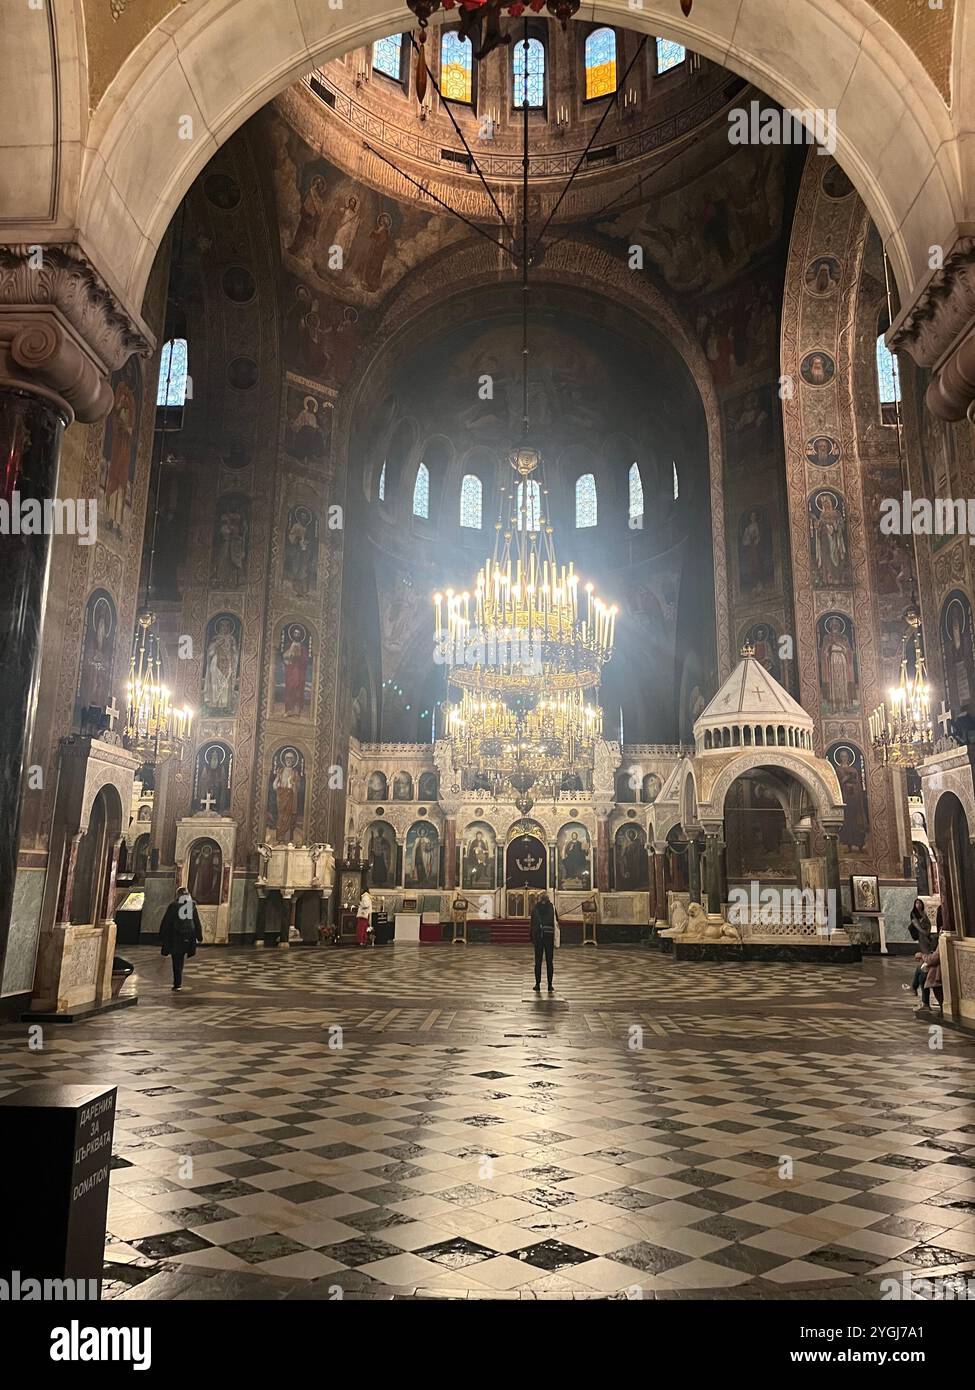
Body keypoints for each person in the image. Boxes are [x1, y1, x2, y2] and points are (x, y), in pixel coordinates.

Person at [159, 888, 204, 992]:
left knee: (176, 960)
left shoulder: (174, 906)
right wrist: (199, 936)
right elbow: (196, 921)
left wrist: (161, 936)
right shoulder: (191, 905)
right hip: (188, 937)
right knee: (181, 959)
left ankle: (177, 983)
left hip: (176, 937)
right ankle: (178, 982)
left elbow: (167, 921)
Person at [904, 898, 934, 996]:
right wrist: (923, 931)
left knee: (926, 956)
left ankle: (914, 987)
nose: (918, 905)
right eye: (917, 903)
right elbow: (916, 924)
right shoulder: (914, 914)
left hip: (927, 935)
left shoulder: (923, 913)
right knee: (925, 952)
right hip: (922, 936)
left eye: (920, 903)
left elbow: (928, 923)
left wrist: (928, 931)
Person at [530, 891, 556, 993]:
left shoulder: (536, 908)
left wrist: (531, 937)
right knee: (549, 961)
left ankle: (537, 984)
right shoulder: (552, 907)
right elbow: (555, 920)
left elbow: (532, 923)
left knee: (538, 961)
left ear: (540, 898)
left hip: (538, 937)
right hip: (549, 936)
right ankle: (550, 985)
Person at [915, 939, 944, 1013]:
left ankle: (914, 988)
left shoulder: (944, 939)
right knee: (921, 973)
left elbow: (934, 959)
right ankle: (924, 1002)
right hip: (940, 966)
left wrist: (923, 956)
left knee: (920, 972)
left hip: (940, 970)